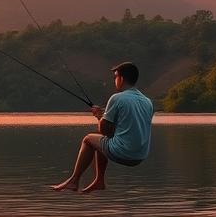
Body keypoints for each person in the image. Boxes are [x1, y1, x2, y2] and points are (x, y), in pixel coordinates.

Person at [51, 61, 153, 194]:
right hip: (140, 156)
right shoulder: (147, 102)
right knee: (100, 141)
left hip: (124, 153)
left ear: (121, 79)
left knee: (88, 139)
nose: (115, 80)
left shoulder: (117, 98)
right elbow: (127, 127)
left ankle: (74, 181)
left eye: (116, 77)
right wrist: (105, 115)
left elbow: (104, 130)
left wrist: (99, 116)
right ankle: (99, 180)